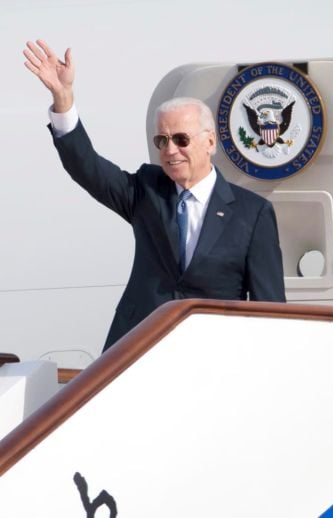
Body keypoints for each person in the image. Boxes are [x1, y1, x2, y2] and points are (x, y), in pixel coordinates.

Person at [23, 40, 285, 351]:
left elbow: (270, 309)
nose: (170, 150)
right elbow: (87, 168)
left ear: (210, 142)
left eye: (181, 139)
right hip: (139, 348)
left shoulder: (252, 213)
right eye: (162, 140)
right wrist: (63, 99)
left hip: (212, 354)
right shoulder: (146, 190)